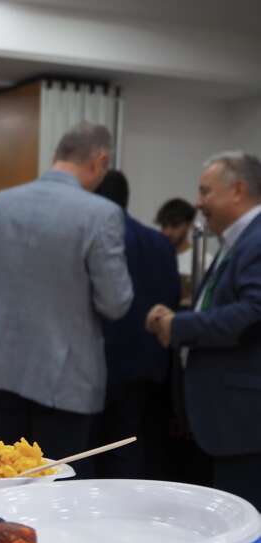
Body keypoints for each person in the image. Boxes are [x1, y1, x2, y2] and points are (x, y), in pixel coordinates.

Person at [0, 121, 133, 464]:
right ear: (101, 160)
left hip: (0, 366)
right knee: (60, 481)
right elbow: (115, 303)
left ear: (57, 154)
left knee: (0, 476)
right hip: (65, 377)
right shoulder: (101, 214)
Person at [145, 151, 261, 509]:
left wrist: (179, 325)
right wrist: (178, 316)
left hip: (243, 422)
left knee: (243, 523)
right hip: (224, 419)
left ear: (237, 190)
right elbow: (224, 306)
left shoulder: (257, 239)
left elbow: (252, 312)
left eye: (205, 191)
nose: (197, 202)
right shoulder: (238, 240)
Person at [92, 170, 180, 478]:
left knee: (96, 452)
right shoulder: (160, 242)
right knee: (135, 449)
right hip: (150, 361)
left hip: (103, 362)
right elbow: (171, 298)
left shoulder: (99, 237)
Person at [155, 197, 198, 305]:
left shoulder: (203, 260)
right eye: (164, 226)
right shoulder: (154, 258)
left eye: (175, 225)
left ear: (189, 225)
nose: (167, 232)